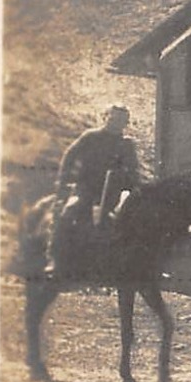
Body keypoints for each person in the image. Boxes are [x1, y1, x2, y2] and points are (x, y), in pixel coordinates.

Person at [47, 104, 147, 276]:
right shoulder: (91, 137)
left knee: (138, 220)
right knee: (69, 213)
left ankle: (136, 265)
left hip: (114, 193)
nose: (116, 123)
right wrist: (64, 182)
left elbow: (133, 170)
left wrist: (134, 186)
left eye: (121, 120)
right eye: (113, 118)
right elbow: (69, 157)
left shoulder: (127, 144)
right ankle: (56, 260)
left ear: (126, 123)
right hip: (87, 190)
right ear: (105, 117)